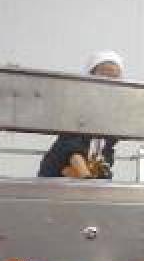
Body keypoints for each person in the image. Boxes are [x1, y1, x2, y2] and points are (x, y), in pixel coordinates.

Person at [38, 51, 123, 179]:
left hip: (87, 173)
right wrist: (87, 180)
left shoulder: (113, 114)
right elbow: (71, 150)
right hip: (59, 175)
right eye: (105, 75)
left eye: (115, 77)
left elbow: (106, 150)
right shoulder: (77, 105)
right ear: (90, 77)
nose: (110, 82)